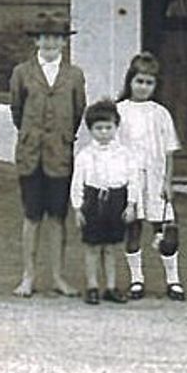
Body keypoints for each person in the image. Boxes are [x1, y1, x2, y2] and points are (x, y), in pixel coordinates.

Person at [7, 10, 86, 297]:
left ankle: (57, 277)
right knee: (32, 216)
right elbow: (17, 109)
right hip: (31, 154)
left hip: (60, 155)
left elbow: (78, 112)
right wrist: (32, 134)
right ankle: (28, 276)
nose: (50, 43)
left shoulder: (74, 75)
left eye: (56, 38)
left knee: (57, 217)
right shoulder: (22, 73)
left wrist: (62, 137)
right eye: (45, 37)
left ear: (64, 43)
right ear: (36, 41)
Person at [116, 52, 187, 300]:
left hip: (156, 178)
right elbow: (114, 149)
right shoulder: (120, 111)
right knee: (133, 228)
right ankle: (137, 279)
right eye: (139, 81)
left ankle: (173, 280)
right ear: (130, 82)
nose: (143, 87)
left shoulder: (160, 113)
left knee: (165, 229)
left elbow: (169, 151)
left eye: (149, 82)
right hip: (131, 180)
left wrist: (168, 181)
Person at [72, 98, 140, 303]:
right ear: (91, 129)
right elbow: (77, 182)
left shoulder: (125, 154)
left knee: (111, 247)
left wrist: (130, 204)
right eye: (98, 128)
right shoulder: (85, 155)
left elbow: (133, 179)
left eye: (108, 127)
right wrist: (77, 208)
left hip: (116, 200)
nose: (104, 132)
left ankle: (110, 287)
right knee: (92, 247)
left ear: (116, 127)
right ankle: (92, 286)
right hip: (93, 200)